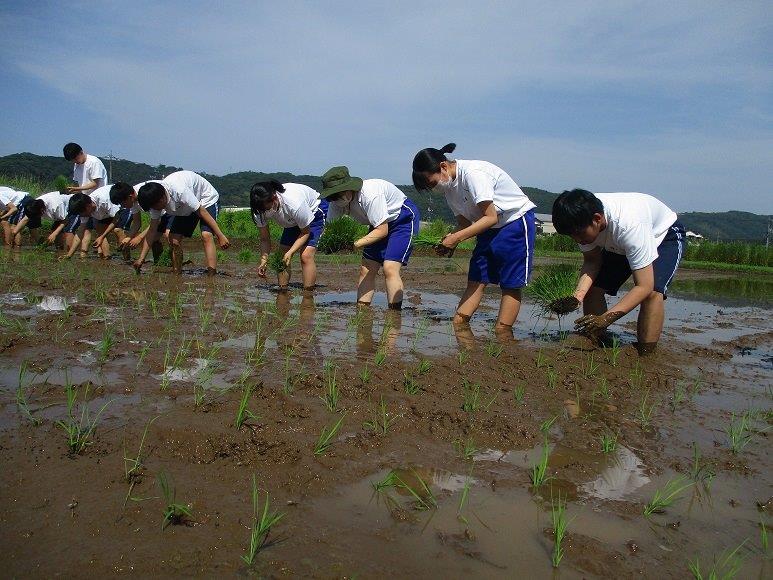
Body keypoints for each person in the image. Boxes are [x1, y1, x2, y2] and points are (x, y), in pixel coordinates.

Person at [412, 143, 536, 336]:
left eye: (432, 183)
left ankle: (503, 334)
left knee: (510, 283)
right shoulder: (449, 189)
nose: (433, 188)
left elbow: (491, 216)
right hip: (488, 227)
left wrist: (456, 239)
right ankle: (459, 323)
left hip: (514, 221)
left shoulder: (474, 174)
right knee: (477, 278)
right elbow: (464, 224)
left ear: (443, 167)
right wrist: (451, 238)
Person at [551, 189, 686, 353]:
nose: (578, 240)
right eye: (572, 236)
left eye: (579, 234)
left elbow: (644, 286)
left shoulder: (629, 226)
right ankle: (598, 341)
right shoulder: (580, 221)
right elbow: (592, 261)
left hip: (662, 235)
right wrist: (577, 296)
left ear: (597, 219)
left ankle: (646, 352)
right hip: (618, 242)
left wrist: (607, 318)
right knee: (593, 289)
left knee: (653, 293)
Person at [321, 166, 420, 310]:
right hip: (378, 223)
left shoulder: (370, 194)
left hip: (401, 218)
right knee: (366, 268)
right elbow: (330, 229)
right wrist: (327, 243)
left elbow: (382, 230)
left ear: (348, 188)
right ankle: (362, 310)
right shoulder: (336, 203)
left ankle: (394, 313)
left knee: (390, 267)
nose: (335, 200)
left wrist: (355, 244)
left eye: (337, 195)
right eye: (331, 197)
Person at [131, 170, 230, 274]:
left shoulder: (179, 191)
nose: (156, 210)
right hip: (185, 207)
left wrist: (220, 236)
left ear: (162, 199)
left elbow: (202, 212)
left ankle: (211, 273)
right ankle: (177, 272)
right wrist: (141, 259)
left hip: (205, 199)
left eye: (155, 207)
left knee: (206, 235)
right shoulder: (155, 204)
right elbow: (152, 230)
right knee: (173, 239)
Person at [250, 180, 328, 290]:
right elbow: (264, 239)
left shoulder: (293, 203)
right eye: (263, 210)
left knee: (305, 255)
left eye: (267, 209)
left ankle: (308, 295)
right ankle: (283, 290)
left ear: (274, 198)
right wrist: (264, 259)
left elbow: (305, 232)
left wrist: (291, 252)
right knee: (282, 255)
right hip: (293, 220)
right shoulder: (258, 211)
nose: (266, 212)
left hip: (315, 212)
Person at [63, 142, 108, 255]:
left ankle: (104, 256)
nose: (75, 162)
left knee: (100, 230)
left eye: (76, 158)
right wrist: (77, 190)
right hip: (84, 202)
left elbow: (95, 184)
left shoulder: (93, 162)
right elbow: (81, 183)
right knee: (85, 229)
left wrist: (78, 189)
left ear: (81, 152)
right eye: (73, 160)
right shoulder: (77, 166)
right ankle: (83, 255)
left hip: (97, 202)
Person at [108, 181, 168, 263]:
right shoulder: (133, 200)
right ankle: (160, 262)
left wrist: (139, 237)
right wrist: (128, 238)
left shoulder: (145, 196)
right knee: (154, 238)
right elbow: (137, 222)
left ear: (130, 197)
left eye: (122, 203)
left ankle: (167, 262)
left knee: (167, 235)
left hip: (169, 208)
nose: (122, 206)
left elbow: (157, 220)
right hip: (160, 214)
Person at [65, 186, 130, 259]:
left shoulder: (103, 200)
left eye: (82, 213)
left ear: (88, 206)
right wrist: (69, 255)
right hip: (105, 213)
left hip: (122, 206)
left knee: (118, 230)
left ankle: (126, 258)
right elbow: (80, 232)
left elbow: (116, 220)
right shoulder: (84, 210)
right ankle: (107, 258)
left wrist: (102, 236)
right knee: (100, 230)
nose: (82, 216)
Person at [10, 191, 75, 249]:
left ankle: (68, 254)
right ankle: (60, 250)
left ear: (42, 211)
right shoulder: (35, 205)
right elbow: (25, 219)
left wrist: (54, 234)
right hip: (61, 214)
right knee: (55, 230)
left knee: (68, 230)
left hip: (74, 206)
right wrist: (14, 232)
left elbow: (65, 220)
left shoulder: (55, 206)